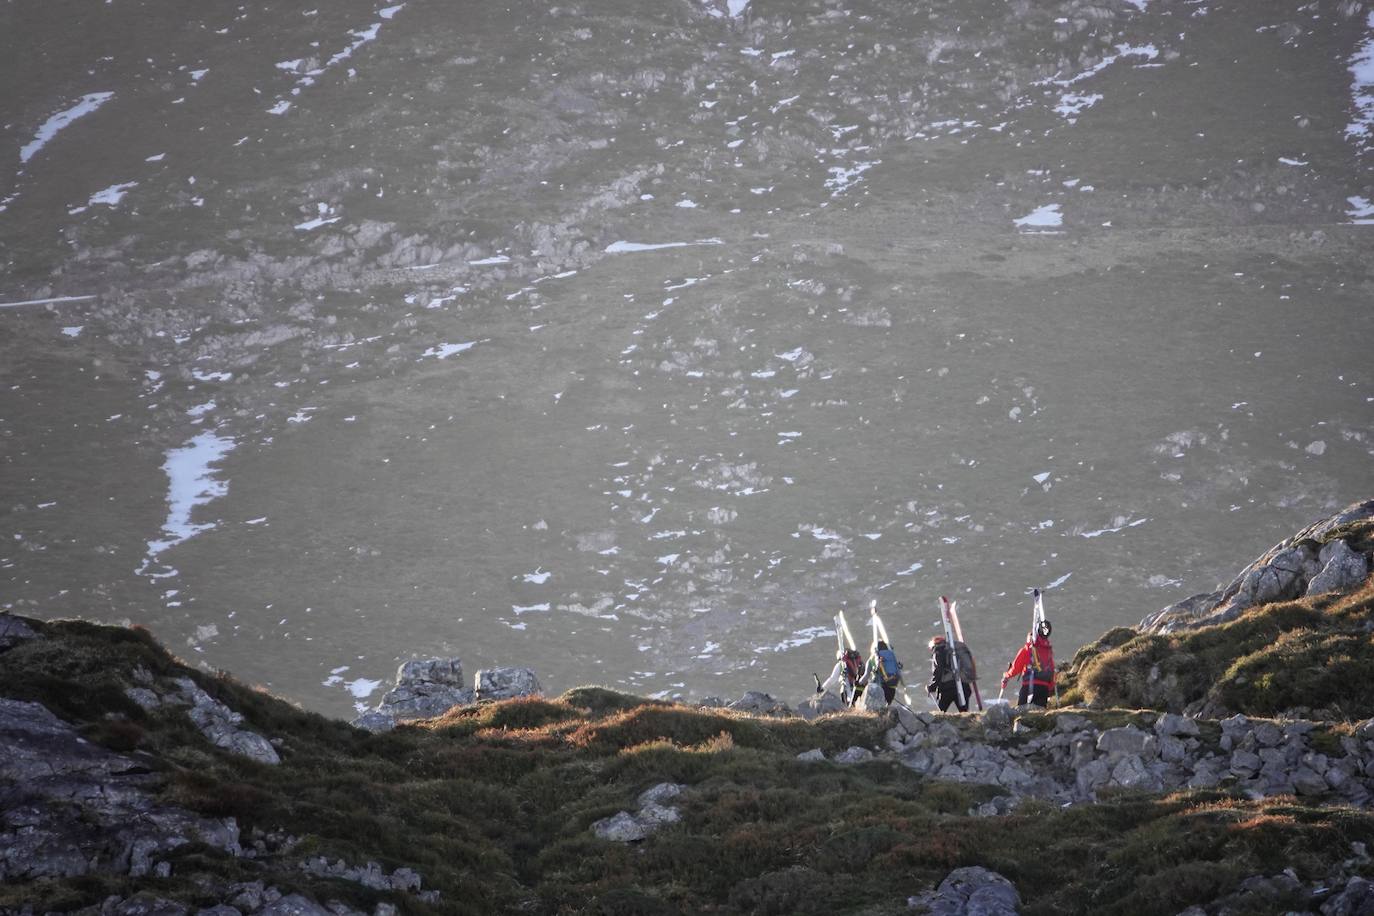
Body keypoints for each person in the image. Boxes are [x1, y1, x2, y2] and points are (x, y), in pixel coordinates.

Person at [1002, 621, 1055, 707]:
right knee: (1039, 713)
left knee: (1021, 712)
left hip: (1029, 687)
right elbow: (1051, 669)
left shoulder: (1027, 650)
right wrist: (1051, 687)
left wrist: (1006, 675)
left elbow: (1016, 668)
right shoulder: (1047, 650)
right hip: (1044, 688)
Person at [926, 635, 969, 713]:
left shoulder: (938, 652)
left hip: (947, 687)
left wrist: (932, 687)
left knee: (941, 713)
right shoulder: (955, 650)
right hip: (963, 685)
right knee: (964, 712)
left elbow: (938, 671)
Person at [862, 639, 903, 705]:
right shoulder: (890, 656)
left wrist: (859, 682)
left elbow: (866, 676)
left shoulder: (872, 659)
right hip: (892, 688)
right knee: (887, 705)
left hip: (879, 688)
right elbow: (898, 671)